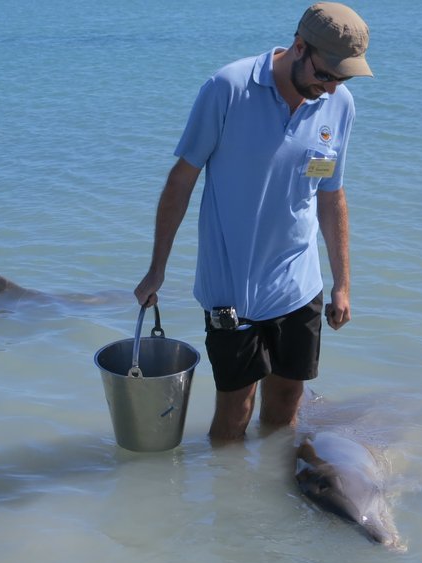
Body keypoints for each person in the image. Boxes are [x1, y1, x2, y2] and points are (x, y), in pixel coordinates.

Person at [134, 3, 373, 443]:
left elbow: (331, 194)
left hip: (299, 286)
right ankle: (227, 508)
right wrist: (156, 268)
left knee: (286, 405)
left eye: (344, 78)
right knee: (234, 415)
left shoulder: (339, 105)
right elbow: (181, 181)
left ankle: (270, 499)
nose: (333, 87)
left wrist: (342, 284)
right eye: (326, 74)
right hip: (231, 292)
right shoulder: (227, 88)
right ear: (299, 47)